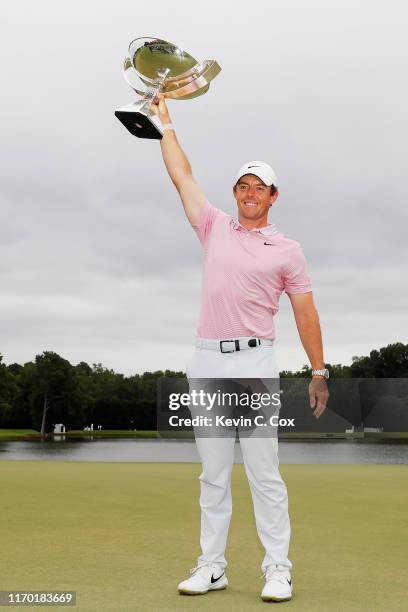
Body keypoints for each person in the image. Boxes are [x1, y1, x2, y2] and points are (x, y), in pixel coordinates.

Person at [151, 94, 329, 603]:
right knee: (212, 475)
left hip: (254, 362)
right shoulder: (213, 228)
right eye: (243, 186)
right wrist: (166, 124)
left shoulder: (287, 249)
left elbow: (305, 312)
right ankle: (212, 567)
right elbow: (181, 176)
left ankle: (278, 569)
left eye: (260, 188)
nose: (250, 193)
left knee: (263, 473)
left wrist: (319, 371)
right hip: (206, 358)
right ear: (235, 193)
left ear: (274, 196)